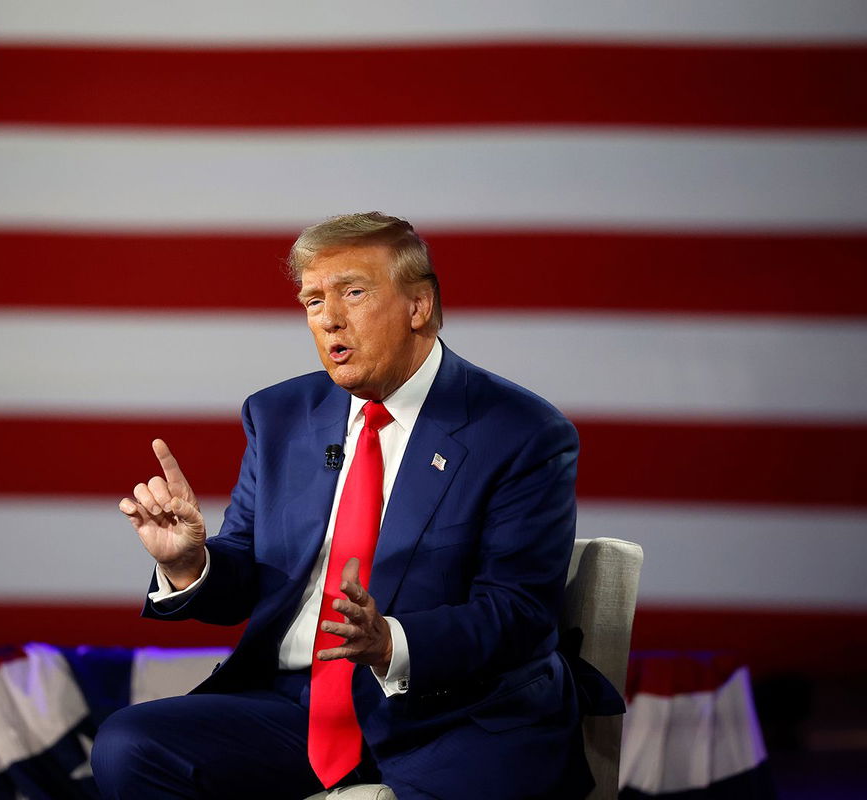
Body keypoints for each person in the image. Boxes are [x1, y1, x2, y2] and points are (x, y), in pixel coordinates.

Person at [91, 213, 595, 799]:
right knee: (130, 747)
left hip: (451, 716)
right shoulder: (280, 416)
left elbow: (520, 613)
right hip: (295, 709)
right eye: (312, 301)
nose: (329, 317)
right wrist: (189, 564)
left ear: (418, 306)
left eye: (353, 293)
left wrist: (390, 640)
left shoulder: (520, 431)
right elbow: (256, 577)